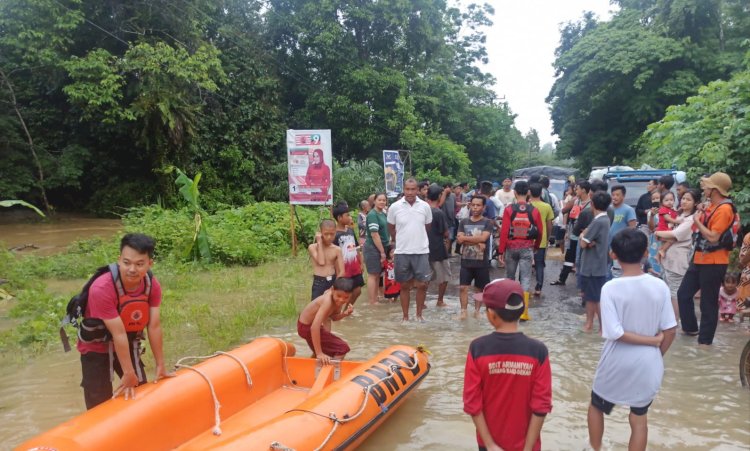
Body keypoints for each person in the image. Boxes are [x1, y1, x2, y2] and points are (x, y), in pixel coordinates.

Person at [587, 228, 677, 451]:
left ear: (613, 255)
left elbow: (615, 332)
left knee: (597, 406)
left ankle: (595, 448)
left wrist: (652, 342)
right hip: (648, 363)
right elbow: (671, 330)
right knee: (639, 419)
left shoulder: (610, 288)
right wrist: (654, 348)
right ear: (646, 252)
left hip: (615, 361)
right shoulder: (660, 286)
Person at [78, 233, 174, 410]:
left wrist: (160, 364)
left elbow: (154, 326)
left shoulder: (152, 285)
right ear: (119, 260)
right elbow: (118, 333)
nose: (132, 269)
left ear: (149, 264)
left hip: (128, 340)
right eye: (127, 262)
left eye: (139, 264)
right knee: (99, 400)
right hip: (97, 346)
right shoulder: (101, 288)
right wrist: (128, 373)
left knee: (140, 390)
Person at [463, 278, 552, 451]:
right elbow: (541, 406)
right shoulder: (539, 351)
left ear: (491, 314)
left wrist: (490, 445)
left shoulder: (478, 348)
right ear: (522, 310)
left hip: (488, 445)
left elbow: (472, 403)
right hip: (528, 446)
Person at [678, 172, 735, 345]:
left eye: (707, 186)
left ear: (715, 189)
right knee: (683, 294)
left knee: (707, 304)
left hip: (715, 262)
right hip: (699, 259)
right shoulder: (710, 206)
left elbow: (713, 237)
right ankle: (691, 329)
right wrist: (700, 212)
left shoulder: (725, 209)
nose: (704, 188)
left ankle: (704, 343)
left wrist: (697, 218)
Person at [387, 178, 432, 322]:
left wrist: (417, 237)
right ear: (404, 189)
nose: (410, 192)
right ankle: (405, 317)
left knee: (423, 285)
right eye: (407, 189)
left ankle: (419, 315)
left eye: (413, 189)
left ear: (418, 190)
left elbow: (427, 226)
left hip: (421, 251)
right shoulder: (395, 207)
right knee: (404, 285)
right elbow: (391, 228)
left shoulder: (425, 206)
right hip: (402, 252)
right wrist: (400, 239)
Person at [499, 180, 542, 318]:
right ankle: (524, 312)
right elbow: (539, 232)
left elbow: (504, 231)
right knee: (525, 278)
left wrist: (501, 250)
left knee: (510, 278)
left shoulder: (509, 209)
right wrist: (535, 246)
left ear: (515, 193)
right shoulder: (534, 210)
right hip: (527, 247)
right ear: (528, 192)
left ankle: (509, 308)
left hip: (511, 247)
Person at [654, 189, 699, 321]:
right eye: (683, 198)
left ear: (695, 203)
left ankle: (676, 321)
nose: (684, 201)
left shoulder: (690, 219)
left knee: (675, 293)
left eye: (688, 199)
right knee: (669, 291)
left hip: (678, 261)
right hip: (668, 259)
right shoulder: (679, 215)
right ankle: (673, 320)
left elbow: (674, 235)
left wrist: (657, 233)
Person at [297, 277, 354, 365]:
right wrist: (320, 353)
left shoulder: (338, 300)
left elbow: (333, 318)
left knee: (324, 350)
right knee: (342, 348)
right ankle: (331, 373)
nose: (341, 300)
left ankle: (310, 367)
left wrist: (345, 314)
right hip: (306, 327)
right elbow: (314, 327)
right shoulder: (327, 301)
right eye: (338, 296)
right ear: (332, 290)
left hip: (309, 327)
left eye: (346, 297)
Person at [457, 195, 494, 319]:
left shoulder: (488, 222)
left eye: (478, 205)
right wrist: (477, 242)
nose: (475, 207)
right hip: (466, 261)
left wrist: (468, 239)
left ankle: (477, 311)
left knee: (480, 289)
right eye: (473, 205)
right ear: (470, 205)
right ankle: (463, 311)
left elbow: (483, 238)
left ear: (484, 207)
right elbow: (459, 240)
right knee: (463, 287)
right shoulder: (463, 222)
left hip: (482, 262)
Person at [579, 191, 611, 332]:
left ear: (592, 204)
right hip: (598, 264)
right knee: (592, 297)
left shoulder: (598, 221)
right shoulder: (605, 219)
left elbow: (583, 244)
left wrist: (583, 235)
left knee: (595, 298)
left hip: (593, 266)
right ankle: (591, 324)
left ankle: (598, 327)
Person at [551, 180, 590, 286]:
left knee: (581, 260)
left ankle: (582, 284)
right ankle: (562, 279)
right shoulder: (576, 201)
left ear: (584, 190)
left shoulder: (591, 204)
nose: (575, 190)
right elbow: (566, 213)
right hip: (573, 234)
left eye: (577, 189)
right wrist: (566, 231)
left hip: (584, 237)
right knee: (569, 257)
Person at [332, 202, 365, 305]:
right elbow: (333, 255)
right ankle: (340, 312)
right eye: (347, 215)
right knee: (345, 292)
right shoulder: (335, 234)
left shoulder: (350, 230)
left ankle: (347, 310)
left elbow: (356, 247)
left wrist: (361, 262)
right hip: (344, 269)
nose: (350, 217)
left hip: (354, 266)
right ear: (339, 217)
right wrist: (338, 271)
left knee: (358, 291)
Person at [427, 184, 451, 307]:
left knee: (425, 277)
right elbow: (445, 233)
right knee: (444, 277)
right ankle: (440, 300)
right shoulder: (438, 213)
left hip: (424, 249)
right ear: (439, 196)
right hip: (438, 249)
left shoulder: (423, 210)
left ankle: (423, 302)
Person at [308, 219, 344, 301]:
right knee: (316, 308)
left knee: (332, 308)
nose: (329, 237)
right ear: (320, 233)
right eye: (326, 234)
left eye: (332, 234)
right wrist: (319, 243)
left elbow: (342, 271)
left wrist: (334, 286)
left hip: (333, 281)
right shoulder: (313, 247)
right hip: (319, 282)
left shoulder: (337, 249)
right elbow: (321, 262)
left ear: (336, 232)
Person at [529, 183, 554, 296]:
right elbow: (549, 225)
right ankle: (538, 287)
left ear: (529, 192)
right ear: (541, 193)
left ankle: (523, 286)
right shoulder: (546, 206)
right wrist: (548, 237)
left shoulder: (526, 205)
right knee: (540, 264)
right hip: (541, 239)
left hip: (526, 239)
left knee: (525, 263)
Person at [364, 193, 389, 304]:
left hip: (382, 247)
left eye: (384, 200)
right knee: (373, 274)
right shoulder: (372, 214)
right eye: (380, 200)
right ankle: (372, 301)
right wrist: (382, 252)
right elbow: (374, 234)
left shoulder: (383, 214)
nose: (382, 202)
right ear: (374, 201)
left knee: (378, 274)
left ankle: (376, 298)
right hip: (373, 248)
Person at [609, 185, 637, 278]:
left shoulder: (628, 210)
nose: (615, 197)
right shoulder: (608, 209)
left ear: (623, 196)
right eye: (613, 195)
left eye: (617, 195)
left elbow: (632, 228)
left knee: (618, 273)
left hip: (620, 247)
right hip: (607, 245)